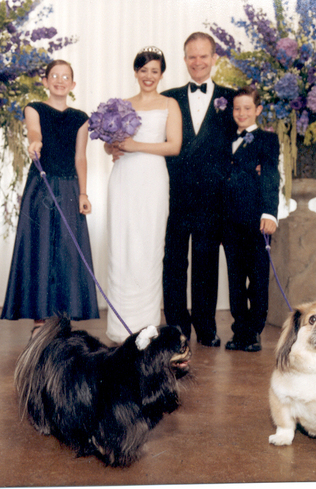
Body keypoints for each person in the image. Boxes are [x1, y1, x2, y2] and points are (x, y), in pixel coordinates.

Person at [1, 60, 99, 334]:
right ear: (45, 81)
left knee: (67, 252)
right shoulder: (34, 108)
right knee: (41, 249)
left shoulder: (81, 118)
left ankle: (61, 322)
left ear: (73, 84)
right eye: (54, 75)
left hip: (69, 189)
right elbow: (34, 130)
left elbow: (81, 157)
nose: (59, 80)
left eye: (65, 77)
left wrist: (83, 193)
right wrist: (36, 141)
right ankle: (39, 323)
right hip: (41, 188)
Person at [161, 32, 236, 346]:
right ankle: (175, 329)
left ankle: (206, 327)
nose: (198, 62)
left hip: (213, 197)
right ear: (184, 59)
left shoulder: (233, 99)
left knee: (206, 263)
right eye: (192, 56)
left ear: (214, 58)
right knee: (174, 263)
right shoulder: (168, 98)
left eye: (204, 56)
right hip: (174, 195)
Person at [104, 46, 182, 344]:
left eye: (154, 71)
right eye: (143, 70)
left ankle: (146, 329)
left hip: (152, 179)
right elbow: (109, 144)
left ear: (161, 74)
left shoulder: (169, 104)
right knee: (121, 248)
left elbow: (173, 146)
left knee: (148, 250)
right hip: (124, 179)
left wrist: (136, 146)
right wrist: (113, 147)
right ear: (136, 72)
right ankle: (119, 328)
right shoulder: (121, 104)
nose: (149, 76)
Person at [222, 86, 280, 352]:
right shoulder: (225, 138)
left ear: (258, 110)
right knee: (235, 279)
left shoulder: (267, 140)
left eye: (247, 108)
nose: (241, 113)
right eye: (237, 108)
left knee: (257, 278)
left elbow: (270, 175)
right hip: (229, 220)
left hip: (257, 220)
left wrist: (269, 213)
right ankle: (239, 330)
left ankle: (254, 331)